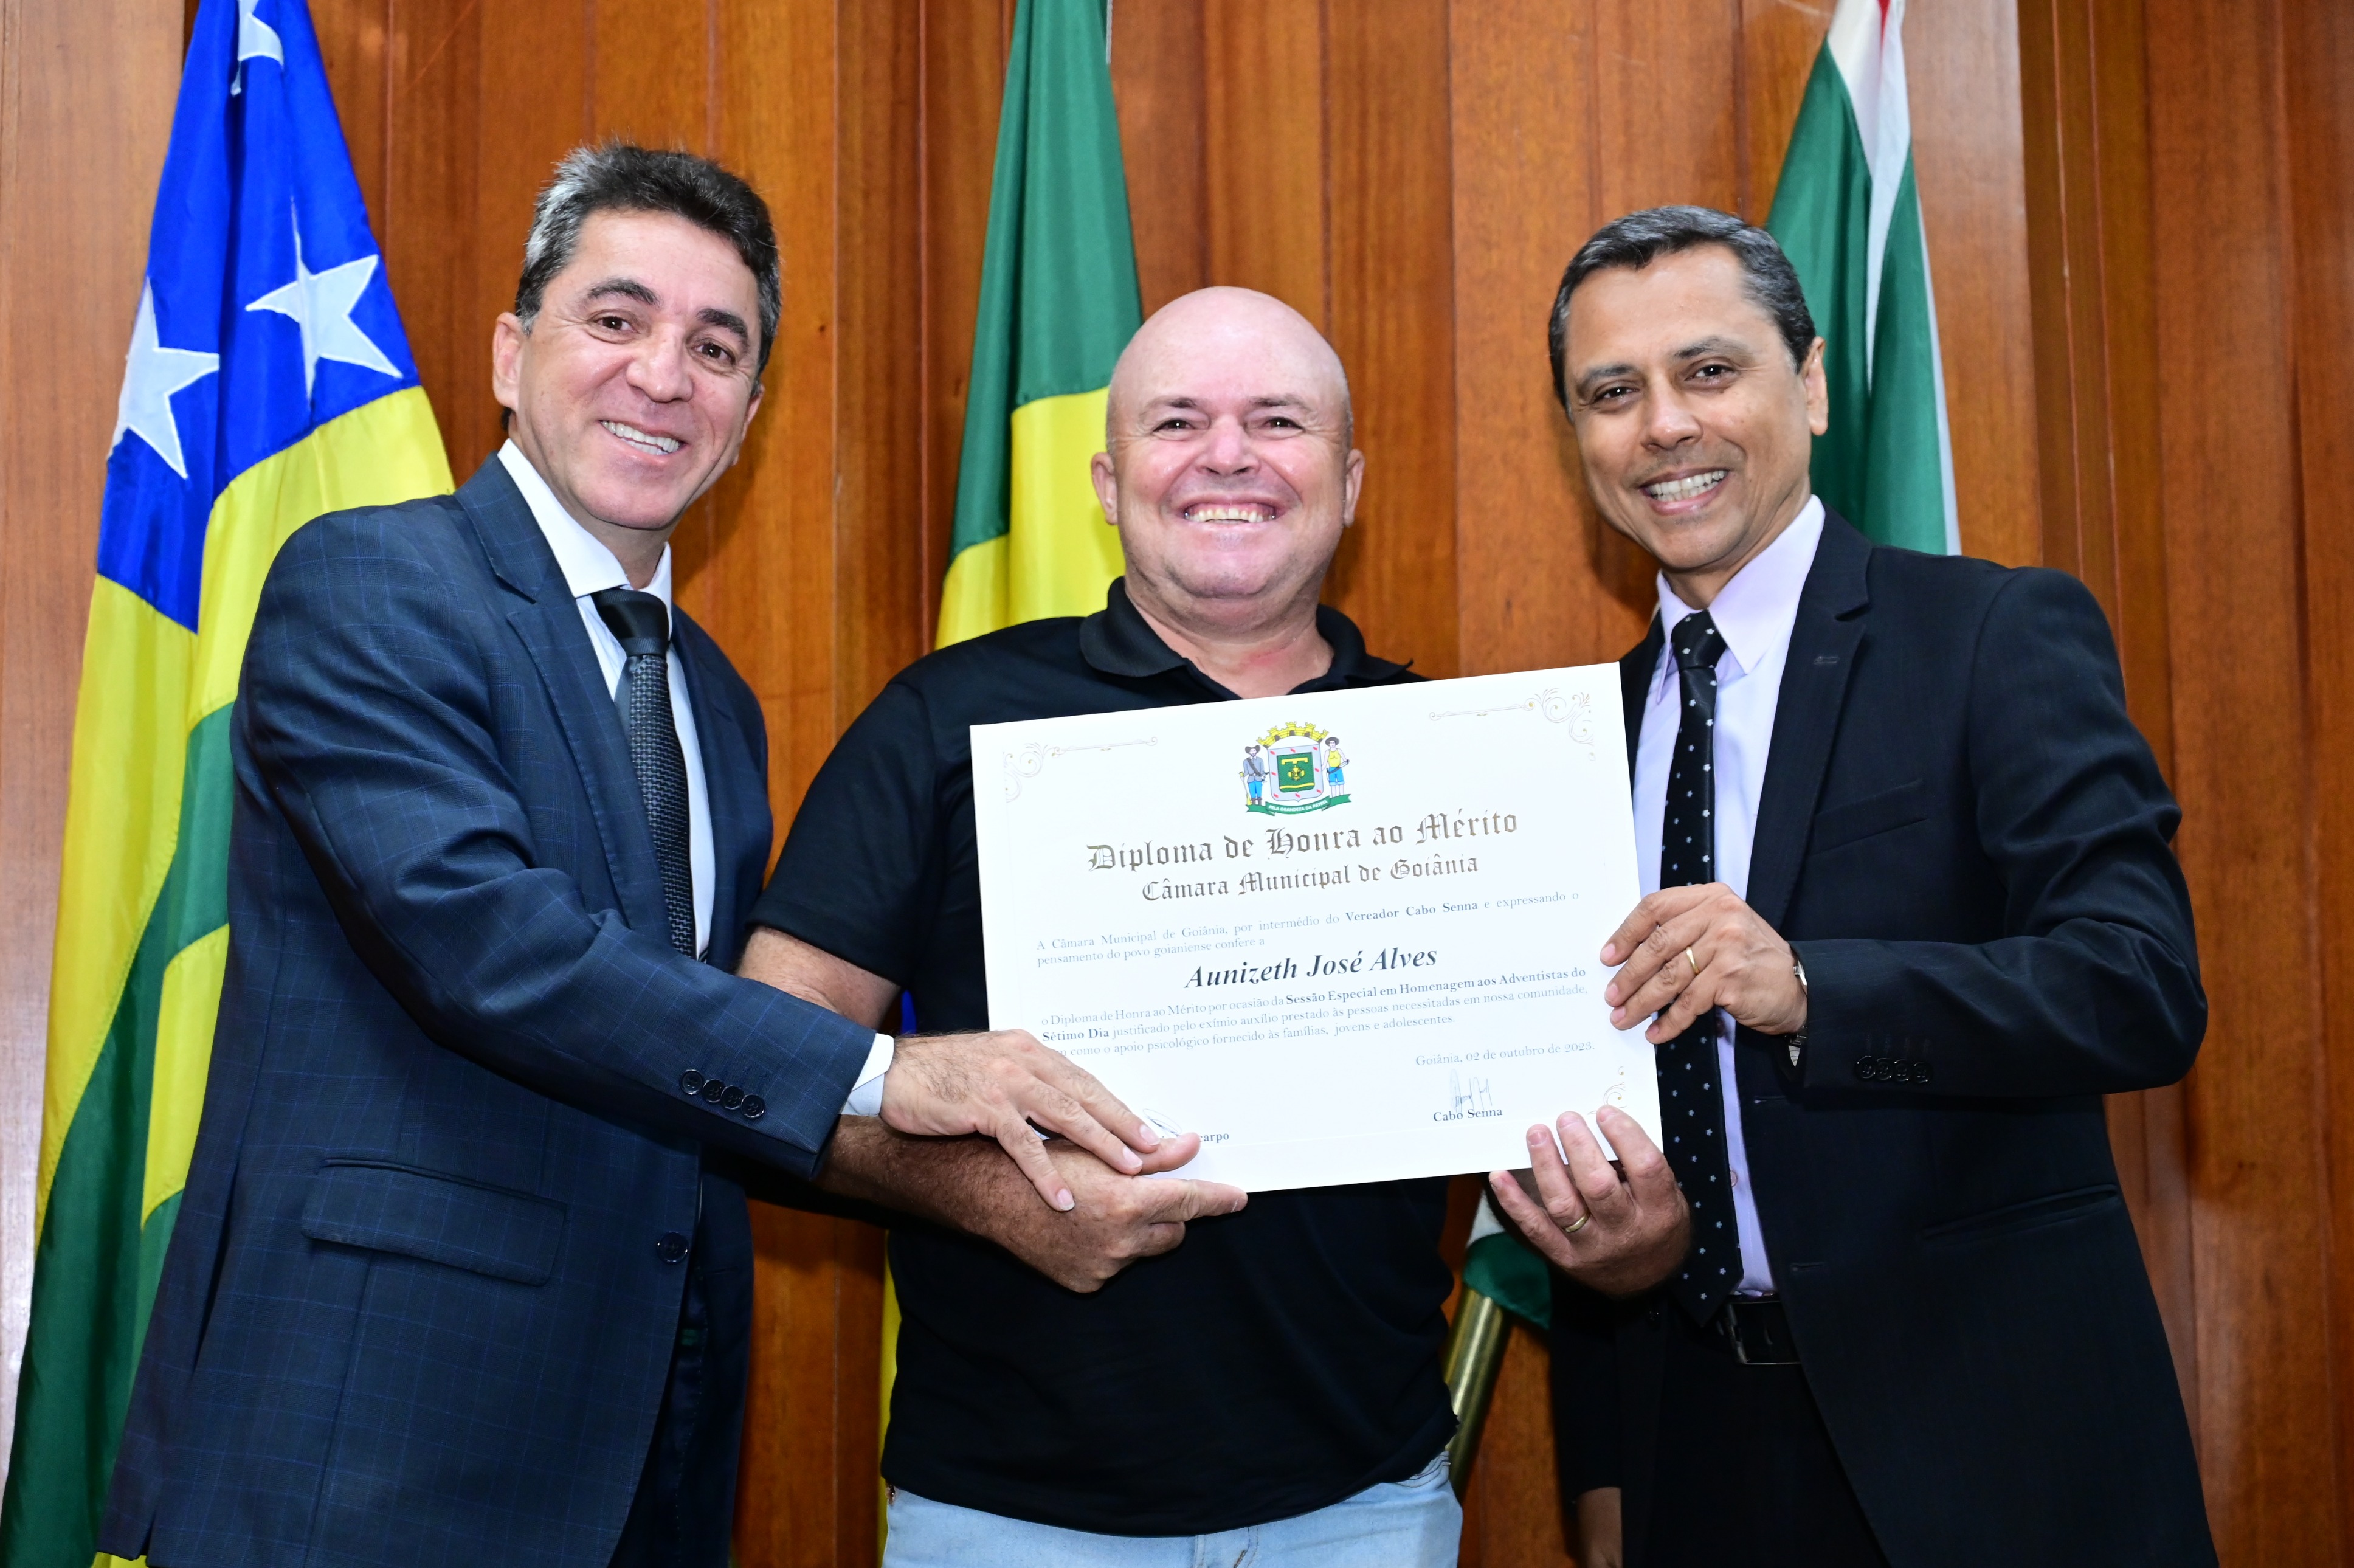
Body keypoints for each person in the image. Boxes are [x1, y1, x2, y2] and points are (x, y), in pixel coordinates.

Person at [98, 143, 1152, 1568]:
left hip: (642, 1456)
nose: (664, 375)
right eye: (615, 319)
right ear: (509, 353)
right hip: (373, 1442)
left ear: (749, 415)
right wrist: (892, 1070)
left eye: (717, 348)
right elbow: (485, 945)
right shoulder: (372, 582)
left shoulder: (711, 701)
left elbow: (692, 1057)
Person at [737, 285, 1689, 1567]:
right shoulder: (943, 723)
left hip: (1368, 1503)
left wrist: (1631, 1241)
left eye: (1278, 421)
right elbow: (758, 1068)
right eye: (1177, 421)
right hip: (1012, 1516)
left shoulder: (1468, 763)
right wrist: (997, 1194)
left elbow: (1586, 1155)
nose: (1228, 455)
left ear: (1348, 484)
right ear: (1107, 481)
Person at [1491, 205, 2214, 1567]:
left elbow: (2139, 986)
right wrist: (1605, 1464)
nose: (1664, 426)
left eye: (1709, 371)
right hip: (1691, 1443)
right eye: (1612, 393)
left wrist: (1812, 988)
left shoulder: (1990, 634)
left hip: (1987, 1447)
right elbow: (1581, 1111)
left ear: (1812, 385)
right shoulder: (1568, 738)